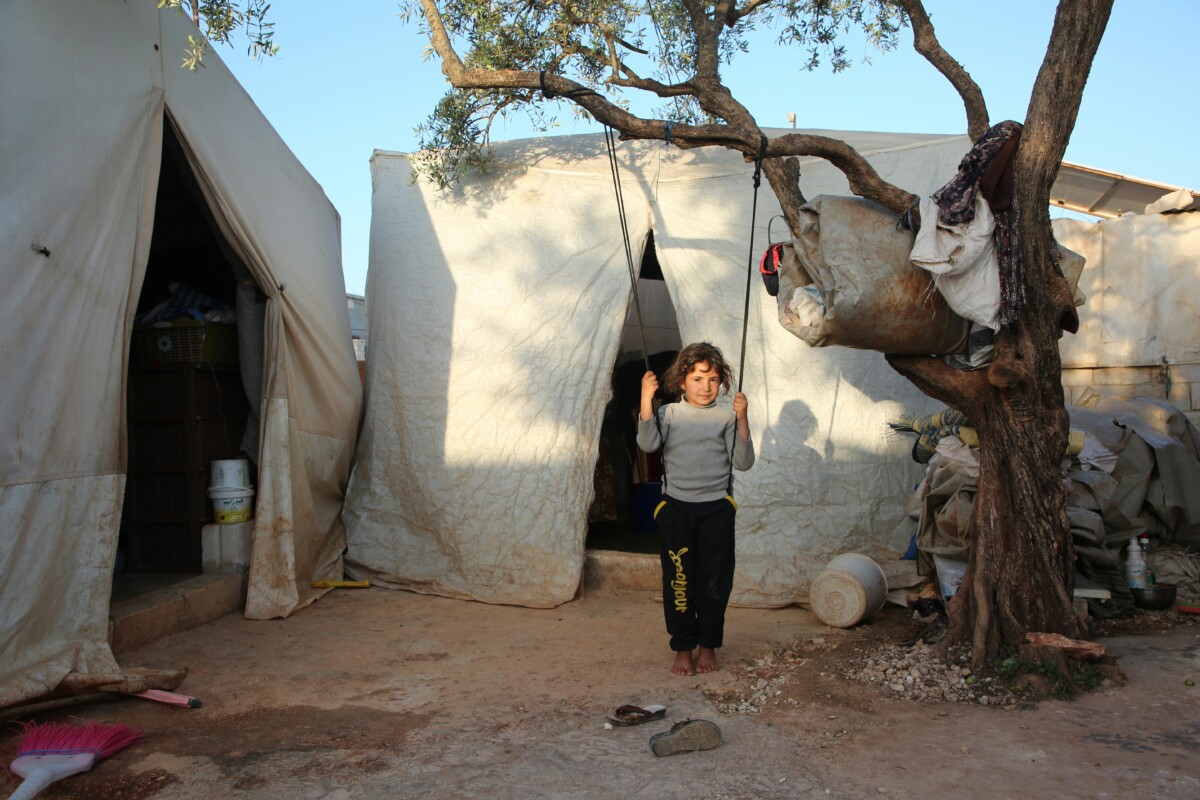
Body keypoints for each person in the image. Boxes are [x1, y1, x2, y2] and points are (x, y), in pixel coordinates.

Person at [637, 342, 754, 676]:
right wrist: (646, 396)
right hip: (677, 510)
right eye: (698, 378)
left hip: (716, 510)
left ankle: (708, 647)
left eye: (713, 379)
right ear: (682, 381)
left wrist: (743, 418)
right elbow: (648, 443)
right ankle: (683, 648)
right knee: (679, 581)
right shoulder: (669, 414)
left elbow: (743, 462)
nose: (706, 387)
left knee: (715, 583)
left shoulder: (726, 416)